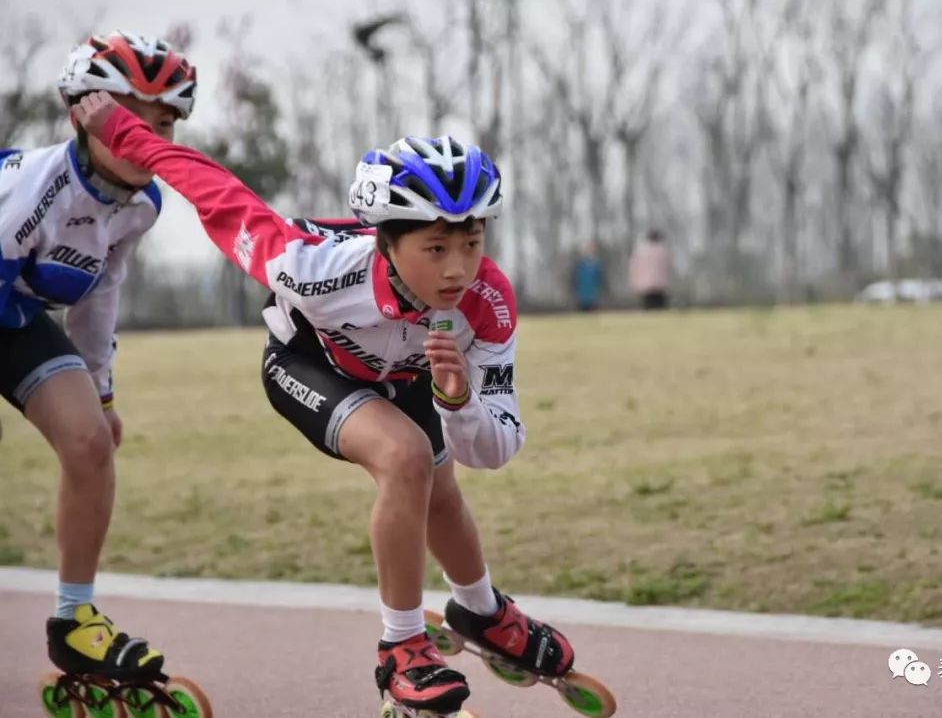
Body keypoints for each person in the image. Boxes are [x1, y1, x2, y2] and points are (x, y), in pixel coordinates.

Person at [73, 92, 576, 715]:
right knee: (407, 458)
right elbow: (213, 188)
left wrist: (460, 399)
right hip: (308, 364)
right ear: (386, 242)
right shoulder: (315, 267)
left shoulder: (489, 304)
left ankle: (480, 610)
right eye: (437, 248)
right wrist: (122, 129)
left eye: (471, 243)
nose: (458, 269)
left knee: (440, 484)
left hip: (408, 377)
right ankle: (403, 647)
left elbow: (494, 449)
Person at [0, 32, 196, 680]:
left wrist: (101, 394)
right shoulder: (36, 189)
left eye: (163, 123)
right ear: (81, 115)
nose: (148, 136)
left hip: (14, 317)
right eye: (130, 119)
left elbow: (98, 294)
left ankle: (74, 622)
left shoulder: (141, 205)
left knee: (90, 443)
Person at [629, 228, 671, 310]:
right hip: (660, 284)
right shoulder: (663, 251)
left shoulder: (640, 251)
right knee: (659, 307)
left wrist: (634, 282)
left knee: (647, 307)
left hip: (645, 285)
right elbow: (668, 268)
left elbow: (634, 267)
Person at [572, 240, 604, 311]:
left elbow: (599, 280)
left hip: (593, 294)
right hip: (582, 294)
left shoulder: (596, 264)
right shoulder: (580, 264)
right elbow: (575, 279)